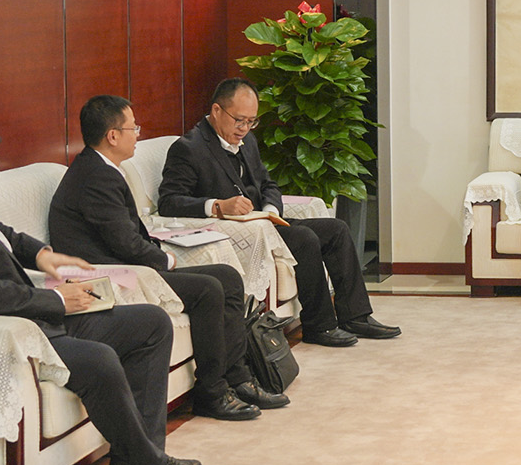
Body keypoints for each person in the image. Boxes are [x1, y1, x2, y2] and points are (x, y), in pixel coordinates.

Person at [0, 112, 210, 465]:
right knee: (98, 359)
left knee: (151, 322)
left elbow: (6, 236)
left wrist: (45, 256)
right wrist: (59, 299)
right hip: (8, 334)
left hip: (35, 317)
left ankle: (138, 457)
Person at [48, 95, 284, 423]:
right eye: (133, 128)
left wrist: (160, 251)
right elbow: (125, 243)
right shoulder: (96, 176)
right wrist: (167, 259)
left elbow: (127, 236)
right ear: (112, 136)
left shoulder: (101, 169)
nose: (138, 135)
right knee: (208, 289)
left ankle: (237, 378)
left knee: (227, 276)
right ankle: (212, 392)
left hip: (127, 265)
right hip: (111, 276)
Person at [158, 79, 397, 348]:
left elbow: (268, 185)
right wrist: (216, 206)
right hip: (237, 233)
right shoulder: (189, 148)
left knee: (336, 230)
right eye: (239, 120)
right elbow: (169, 201)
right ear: (216, 110)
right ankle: (319, 325)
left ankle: (356, 316)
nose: (244, 128)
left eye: (251, 122)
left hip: (264, 222)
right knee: (304, 238)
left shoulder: (247, 141)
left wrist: (270, 210)